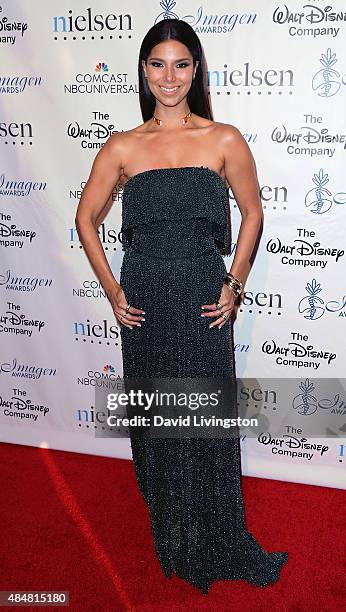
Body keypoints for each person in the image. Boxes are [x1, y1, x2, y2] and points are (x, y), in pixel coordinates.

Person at [75, 19, 288, 595]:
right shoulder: (122, 145)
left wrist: (236, 282)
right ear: (143, 71)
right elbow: (84, 220)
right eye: (157, 65)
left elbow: (253, 214)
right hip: (144, 303)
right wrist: (113, 290)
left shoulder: (224, 138)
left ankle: (214, 531)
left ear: (197, 70)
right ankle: (171, 524)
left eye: (181, 64)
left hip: (201, 300)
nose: (169, 77)